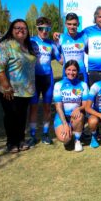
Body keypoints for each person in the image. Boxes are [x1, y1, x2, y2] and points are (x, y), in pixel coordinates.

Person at [0, 19, 37, 153]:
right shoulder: (6, 45)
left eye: (24, 28)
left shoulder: (28, 46)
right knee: (11, 115)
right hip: (8, 89)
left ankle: (21, 140)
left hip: (25, 89)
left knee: (21, 115)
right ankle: (11, 142)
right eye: (17, 27)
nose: (20, 30)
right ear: (11, 30)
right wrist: (6, 86)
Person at [28, 17, 61, 146]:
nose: (44, 31)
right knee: (33, 107)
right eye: (41, 28)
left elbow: (61, 60)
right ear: (37, 28)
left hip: (48, 78)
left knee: (47, 108)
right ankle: (32, 136)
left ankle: (46, 134)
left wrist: (60, 43)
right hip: (34, 78)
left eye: (47, 29)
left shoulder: (52, 43)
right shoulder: (30, 41)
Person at [53, 60, 89, 152]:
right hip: (62, 116)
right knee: (65, 139)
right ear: (65, 70)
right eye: (69, 70)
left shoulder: (83, 85)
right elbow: (58, 107)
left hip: (75, 115)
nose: (71, 72)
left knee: (79, 115)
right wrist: (65, 124)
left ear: (77, 72)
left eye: (74, 70)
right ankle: (68, 136)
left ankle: (77, 140)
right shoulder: (58, 85)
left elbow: (85, 105)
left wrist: (79, 108)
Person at [57, 13, 89, 83]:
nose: (72, 26)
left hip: (81, 72)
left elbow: (88, 51)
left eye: (74, 24)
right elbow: (55, 52)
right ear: (65, 24)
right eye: (69, 24)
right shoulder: (61, 37)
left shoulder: (84, 36)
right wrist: (59, 59)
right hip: (67, 72)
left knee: (83, 93)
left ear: (78, 24)